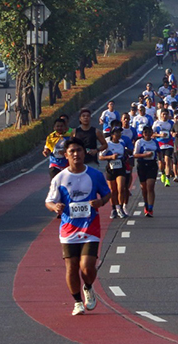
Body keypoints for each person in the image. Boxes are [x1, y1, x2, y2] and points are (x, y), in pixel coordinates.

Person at [45, 137, 112, 315]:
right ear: (66, 155)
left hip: (90, 227)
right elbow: (49, 201)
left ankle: (88, 286)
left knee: (87, 267)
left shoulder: (95, 175)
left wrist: (101, 202)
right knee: (72, 266)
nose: (76, 154)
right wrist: (55, 207)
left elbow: (107, 194)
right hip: (68, 229)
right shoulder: (60, 178)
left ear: (84, 153)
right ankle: (77, 302)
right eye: (72, 151)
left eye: (79, 150)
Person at [99, 126, 130, 218]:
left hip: (120, 168)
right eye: (116, 133)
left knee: (121, 188)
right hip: (111, 168)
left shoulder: (122, 144)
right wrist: (111, 157)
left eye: (120, 133)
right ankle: (114, 209)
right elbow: (101, 157)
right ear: (112, 135)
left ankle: (120, 208)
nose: (118, 134)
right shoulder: (107, 144)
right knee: (113, 190)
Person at [133, 124, 159, 216]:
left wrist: (161, 161)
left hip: (152, 165)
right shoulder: (139, 142)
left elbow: (159, 153)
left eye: (149, 132)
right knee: (144, 188)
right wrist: (144, 155)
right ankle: (146, 204)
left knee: (150, 186)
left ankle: (151, 208)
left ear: (152, 133)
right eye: (145, 132)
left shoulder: (154, 142)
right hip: (142, 165)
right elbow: (135, 155)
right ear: (143, 133)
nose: (147, 134)